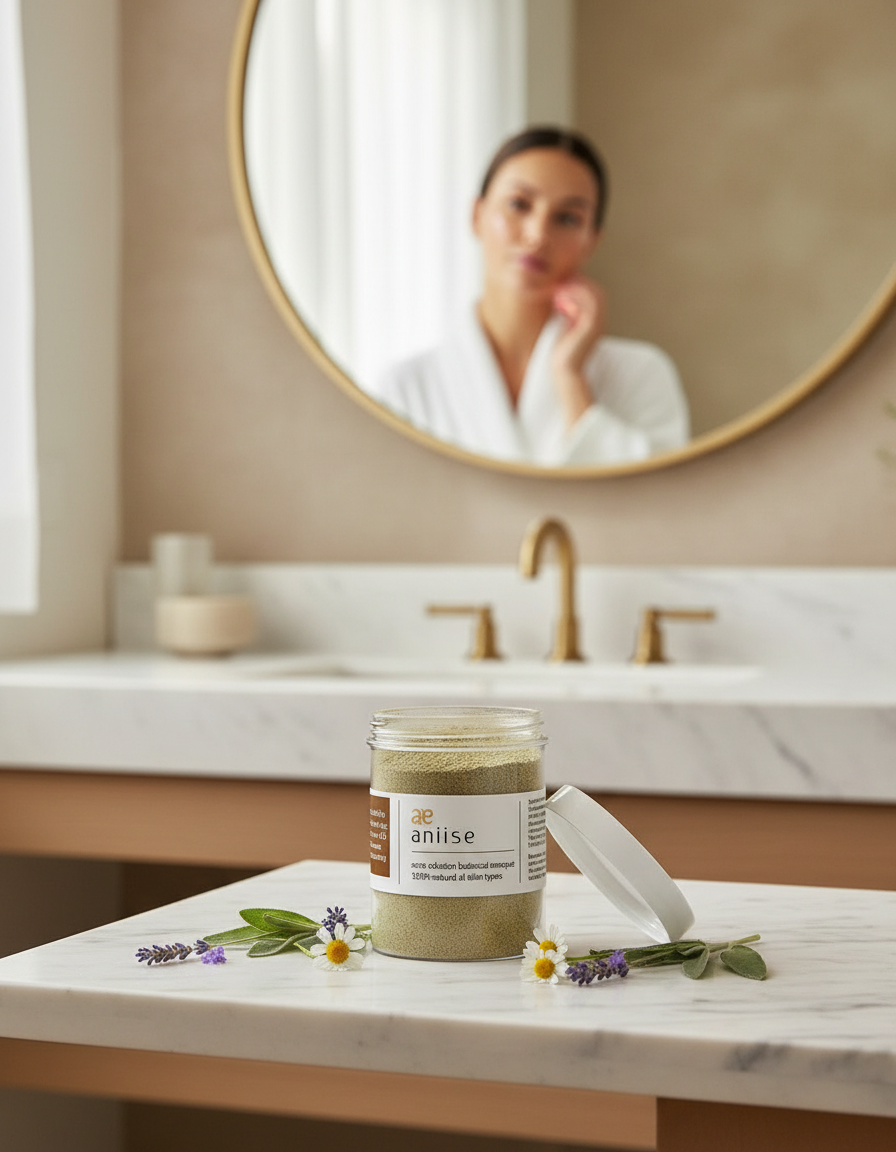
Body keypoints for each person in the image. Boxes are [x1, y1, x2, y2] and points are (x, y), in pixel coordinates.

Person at [372, 126, 690, 467]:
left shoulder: (641, 374)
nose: (538, 235)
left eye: (568, 218)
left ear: (592, 241)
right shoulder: (406, 388)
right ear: (476, 215)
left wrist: (570, 379)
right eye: (518, 205)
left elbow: (655, 508)